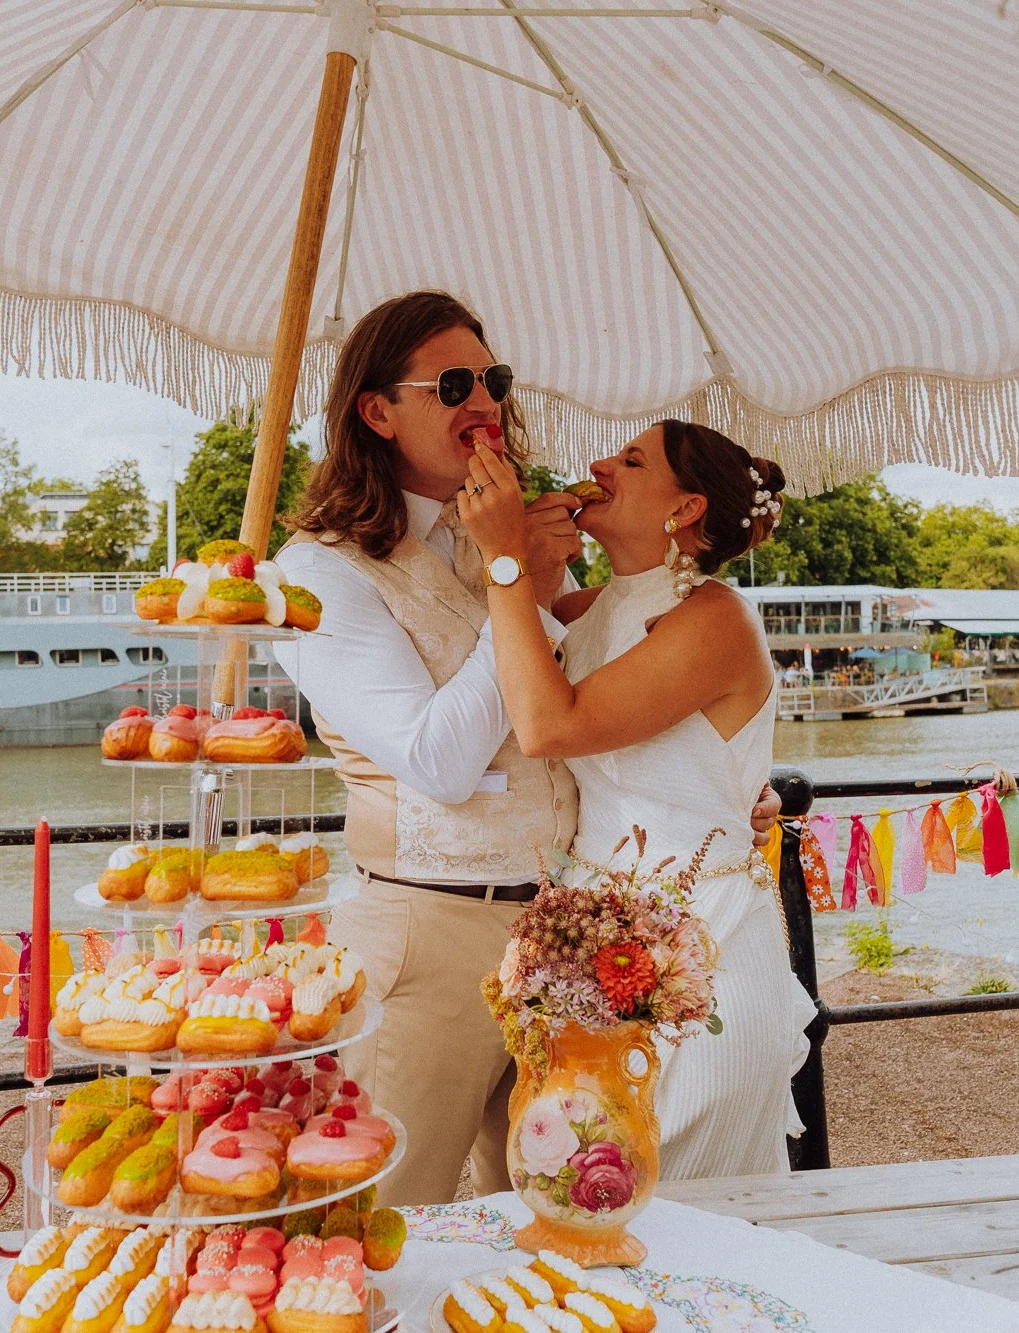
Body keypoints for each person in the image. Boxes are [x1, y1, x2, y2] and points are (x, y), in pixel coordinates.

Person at [274, 291, 777, 1203]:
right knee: (393, 1215)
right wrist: (526, 582)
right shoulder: (321, 571)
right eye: (454, 384)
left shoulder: (517, 536)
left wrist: (723, 788)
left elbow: (615, 693)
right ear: (378, 411)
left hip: (571, 944)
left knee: (565, 1220)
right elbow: (437, 760)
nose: (487, 403)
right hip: (429, 936)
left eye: (492, 380)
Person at [457, 420, 818, 1178]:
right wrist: (540, 575)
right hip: (587, 937)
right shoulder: (588, 611)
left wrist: (505, 559)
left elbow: (549, 724)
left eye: (629, 459)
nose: (596, 465)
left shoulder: (716, 618)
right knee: (578, 1182)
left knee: (681, 1193)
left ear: (684, 510)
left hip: (702, 938)